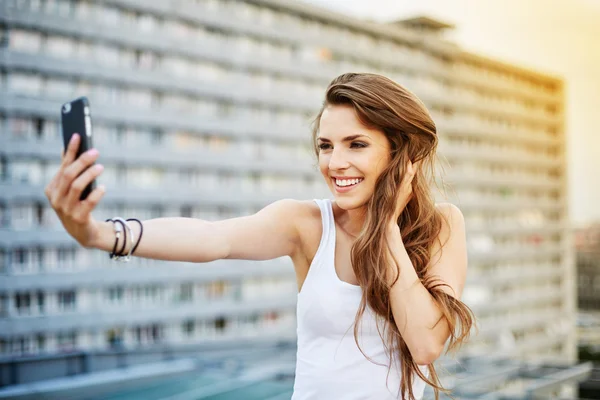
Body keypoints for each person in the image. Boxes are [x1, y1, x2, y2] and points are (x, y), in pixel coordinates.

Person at [45, 72, 476, 400]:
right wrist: (99, 234)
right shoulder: (306, 223)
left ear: (403, 154)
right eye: (326, 146)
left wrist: (385, 227)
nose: (335, 162)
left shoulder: (441, 225)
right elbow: (213, 238)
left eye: (356, 144)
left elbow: (425, 344)